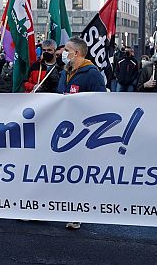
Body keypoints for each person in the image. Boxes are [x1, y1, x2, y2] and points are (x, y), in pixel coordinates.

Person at [55, 37, 106, 230]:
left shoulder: (92, 74)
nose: (62, 53)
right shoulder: (64, 72)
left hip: (83, 132)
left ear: (76, 53)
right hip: (62, 129)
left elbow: (99, 102)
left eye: (66, 49)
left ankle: (75, 212)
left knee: (76, 173)